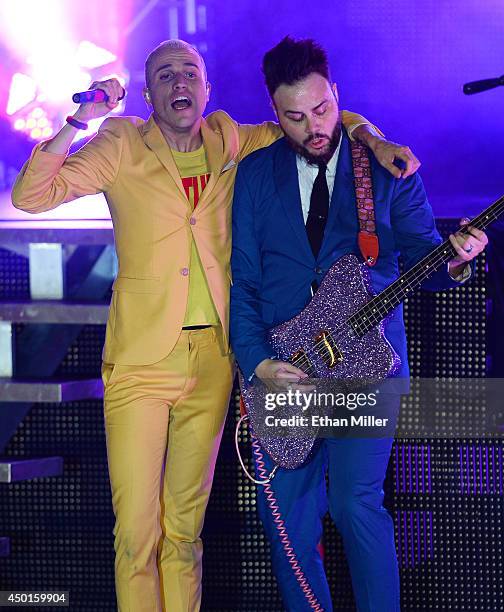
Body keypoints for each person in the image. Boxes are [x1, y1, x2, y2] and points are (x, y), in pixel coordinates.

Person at [12, 38, 423, 612]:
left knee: (184, 532)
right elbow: (31, 195)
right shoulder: (121, 143)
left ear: (206, 88)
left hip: (214, 363)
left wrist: (373, 141)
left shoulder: (233, 140)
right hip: (141, 362)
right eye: (164, 74)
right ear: (148, 92)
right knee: (137, 534)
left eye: (190, 71)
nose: (179, 82)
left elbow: (318, 117)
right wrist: (79, 119)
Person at [229, 36, 488, 611]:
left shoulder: (388, 166)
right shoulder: (252, 176)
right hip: (286, 365)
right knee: (289, 519)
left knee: (354, 502)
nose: (313, 126)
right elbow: (242, 284)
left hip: (366, 366)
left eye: (322, 110)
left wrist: (457, 258)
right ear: (276, 114)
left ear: (337, 98)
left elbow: (427, 256)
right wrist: (259, 363)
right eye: (295, 117)